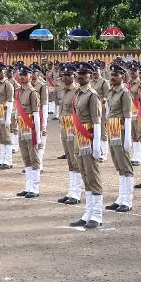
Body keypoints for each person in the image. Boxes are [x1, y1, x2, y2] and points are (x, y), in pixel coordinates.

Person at [70, 62, 103, 228]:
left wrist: (96, 144)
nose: (80, 75)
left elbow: (97, 121)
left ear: (91, 76)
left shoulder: (92, 95)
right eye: (79, 73)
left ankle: (97, 214)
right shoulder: (77, 94)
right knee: (85, 176)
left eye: (84, 73)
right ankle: (88, 212)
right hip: (79, 139)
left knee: (93, 176)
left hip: (89, 138)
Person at [104, 63, 134, 212]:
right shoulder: (111, 92)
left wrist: (127, 137)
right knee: (118, 165)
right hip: (112, 130)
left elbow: (128, 117)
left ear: (122, 76)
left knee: (125, 165)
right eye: (112, 74)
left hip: (121, 131)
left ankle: (127, 200)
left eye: (116, 75)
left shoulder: (125, 93)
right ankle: (121, 197)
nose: (113, 77)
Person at [56, 63, 82, 205]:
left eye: (69, 75)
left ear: (74, 76)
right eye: (64, 75)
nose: (66, 78)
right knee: (70, 161)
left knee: (75, 159)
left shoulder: (77, 91)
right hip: (64, 126)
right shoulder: (63, 91)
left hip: (74, 127)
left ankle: (76, 193)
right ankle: (71, 191)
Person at [14, 65, 42, 198]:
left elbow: (36, 115)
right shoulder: (18, 91)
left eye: (25, 75)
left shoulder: (33, 93)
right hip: (21, 127)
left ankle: (35, 188)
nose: (22, 77)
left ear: (31, 76)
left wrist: (38, 134)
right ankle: (28, 186)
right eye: (21, 74)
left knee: (34, 158)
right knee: (26, 158)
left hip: (31, 128)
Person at [0, 64, 15, 170]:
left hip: (5, 112)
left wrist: (8, 118)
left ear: (4, 72)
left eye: (0, 71)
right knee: (1, 137)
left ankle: (8, 161)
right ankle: (2, 159)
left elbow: (10, 101)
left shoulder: (8, 85)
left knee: (6, 137)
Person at [30, 64, 50, 171]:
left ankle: (40, 163)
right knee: (31, 141)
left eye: (34, 72)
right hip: (29, 116)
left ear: (38, 73)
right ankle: (32, 163)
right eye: (31, 72)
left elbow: (45, 104)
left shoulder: (42, 86)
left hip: (40, 115)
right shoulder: (27, 85)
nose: (32, 74)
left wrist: (44, 123)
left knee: (40, 140)